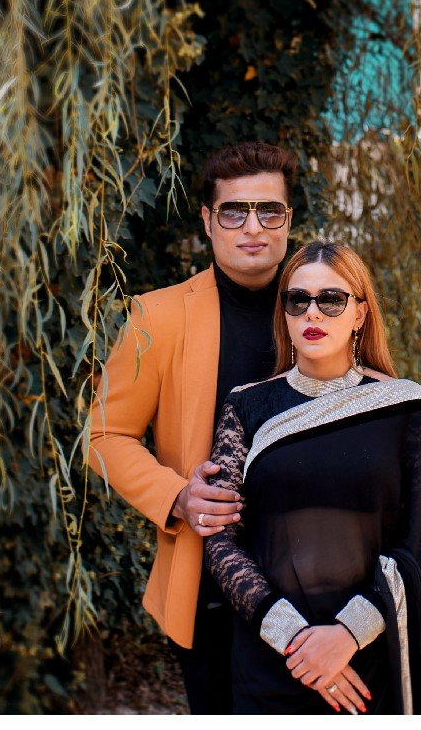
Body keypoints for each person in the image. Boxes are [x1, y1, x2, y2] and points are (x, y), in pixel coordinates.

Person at [88, 141, 366, 714]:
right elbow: (104, 435)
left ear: (289, 220)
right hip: (214, 592)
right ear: (209, 222)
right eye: (234, 211)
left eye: (270, 211)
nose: (253, 228)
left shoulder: (326, 309)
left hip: (325, 591)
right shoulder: (157, 317)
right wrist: (177, 497)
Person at [203, 240, 421, 716]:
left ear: (360, 314)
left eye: (332, 299)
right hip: (272, 662)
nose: (314, 313)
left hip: (373, 665)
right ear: (284, 312)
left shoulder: (405, 409)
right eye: (298, 299)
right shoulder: (245, 406)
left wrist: (347, 635)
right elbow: (221, 538)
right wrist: (295, 641)